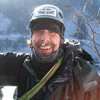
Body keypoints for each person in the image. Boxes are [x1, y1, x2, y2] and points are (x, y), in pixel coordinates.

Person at [0, 4, 100, 100]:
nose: (44, 39)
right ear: (32, 37)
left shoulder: (83, 73)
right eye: (39, 32)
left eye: (52, 32)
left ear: (61, 39)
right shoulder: (19, 65)